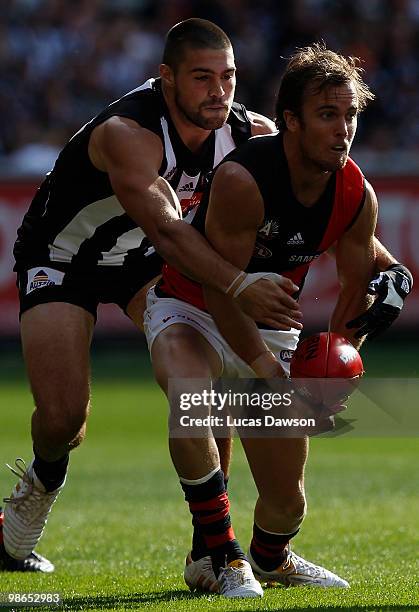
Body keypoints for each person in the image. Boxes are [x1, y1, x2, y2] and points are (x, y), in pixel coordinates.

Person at [0, 19, 304, 575]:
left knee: (205, 381)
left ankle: (212, 549)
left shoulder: (248, 133)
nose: (219, 91)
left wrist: (378, 256)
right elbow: (168, 228)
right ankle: (34, 493)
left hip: (145, 260)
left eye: (229, 77)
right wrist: (239, 285)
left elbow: (320, 183)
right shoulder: (128, 131)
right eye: (202, 78)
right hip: (65, 258)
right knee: (64, 418)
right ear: (166, 79)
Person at [143, 42, 413, 597]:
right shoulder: (246, 179)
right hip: (193, 304)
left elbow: (352, 302)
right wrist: (269, 370)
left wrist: (340, 357)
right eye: (327, 115)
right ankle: (220, 555)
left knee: (288, 500)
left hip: (269, 323)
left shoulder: (357, 195)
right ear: (289, 121)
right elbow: (222, 291)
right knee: (192, 400)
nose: (343, 131)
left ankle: (272, 558)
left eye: (350, 116)